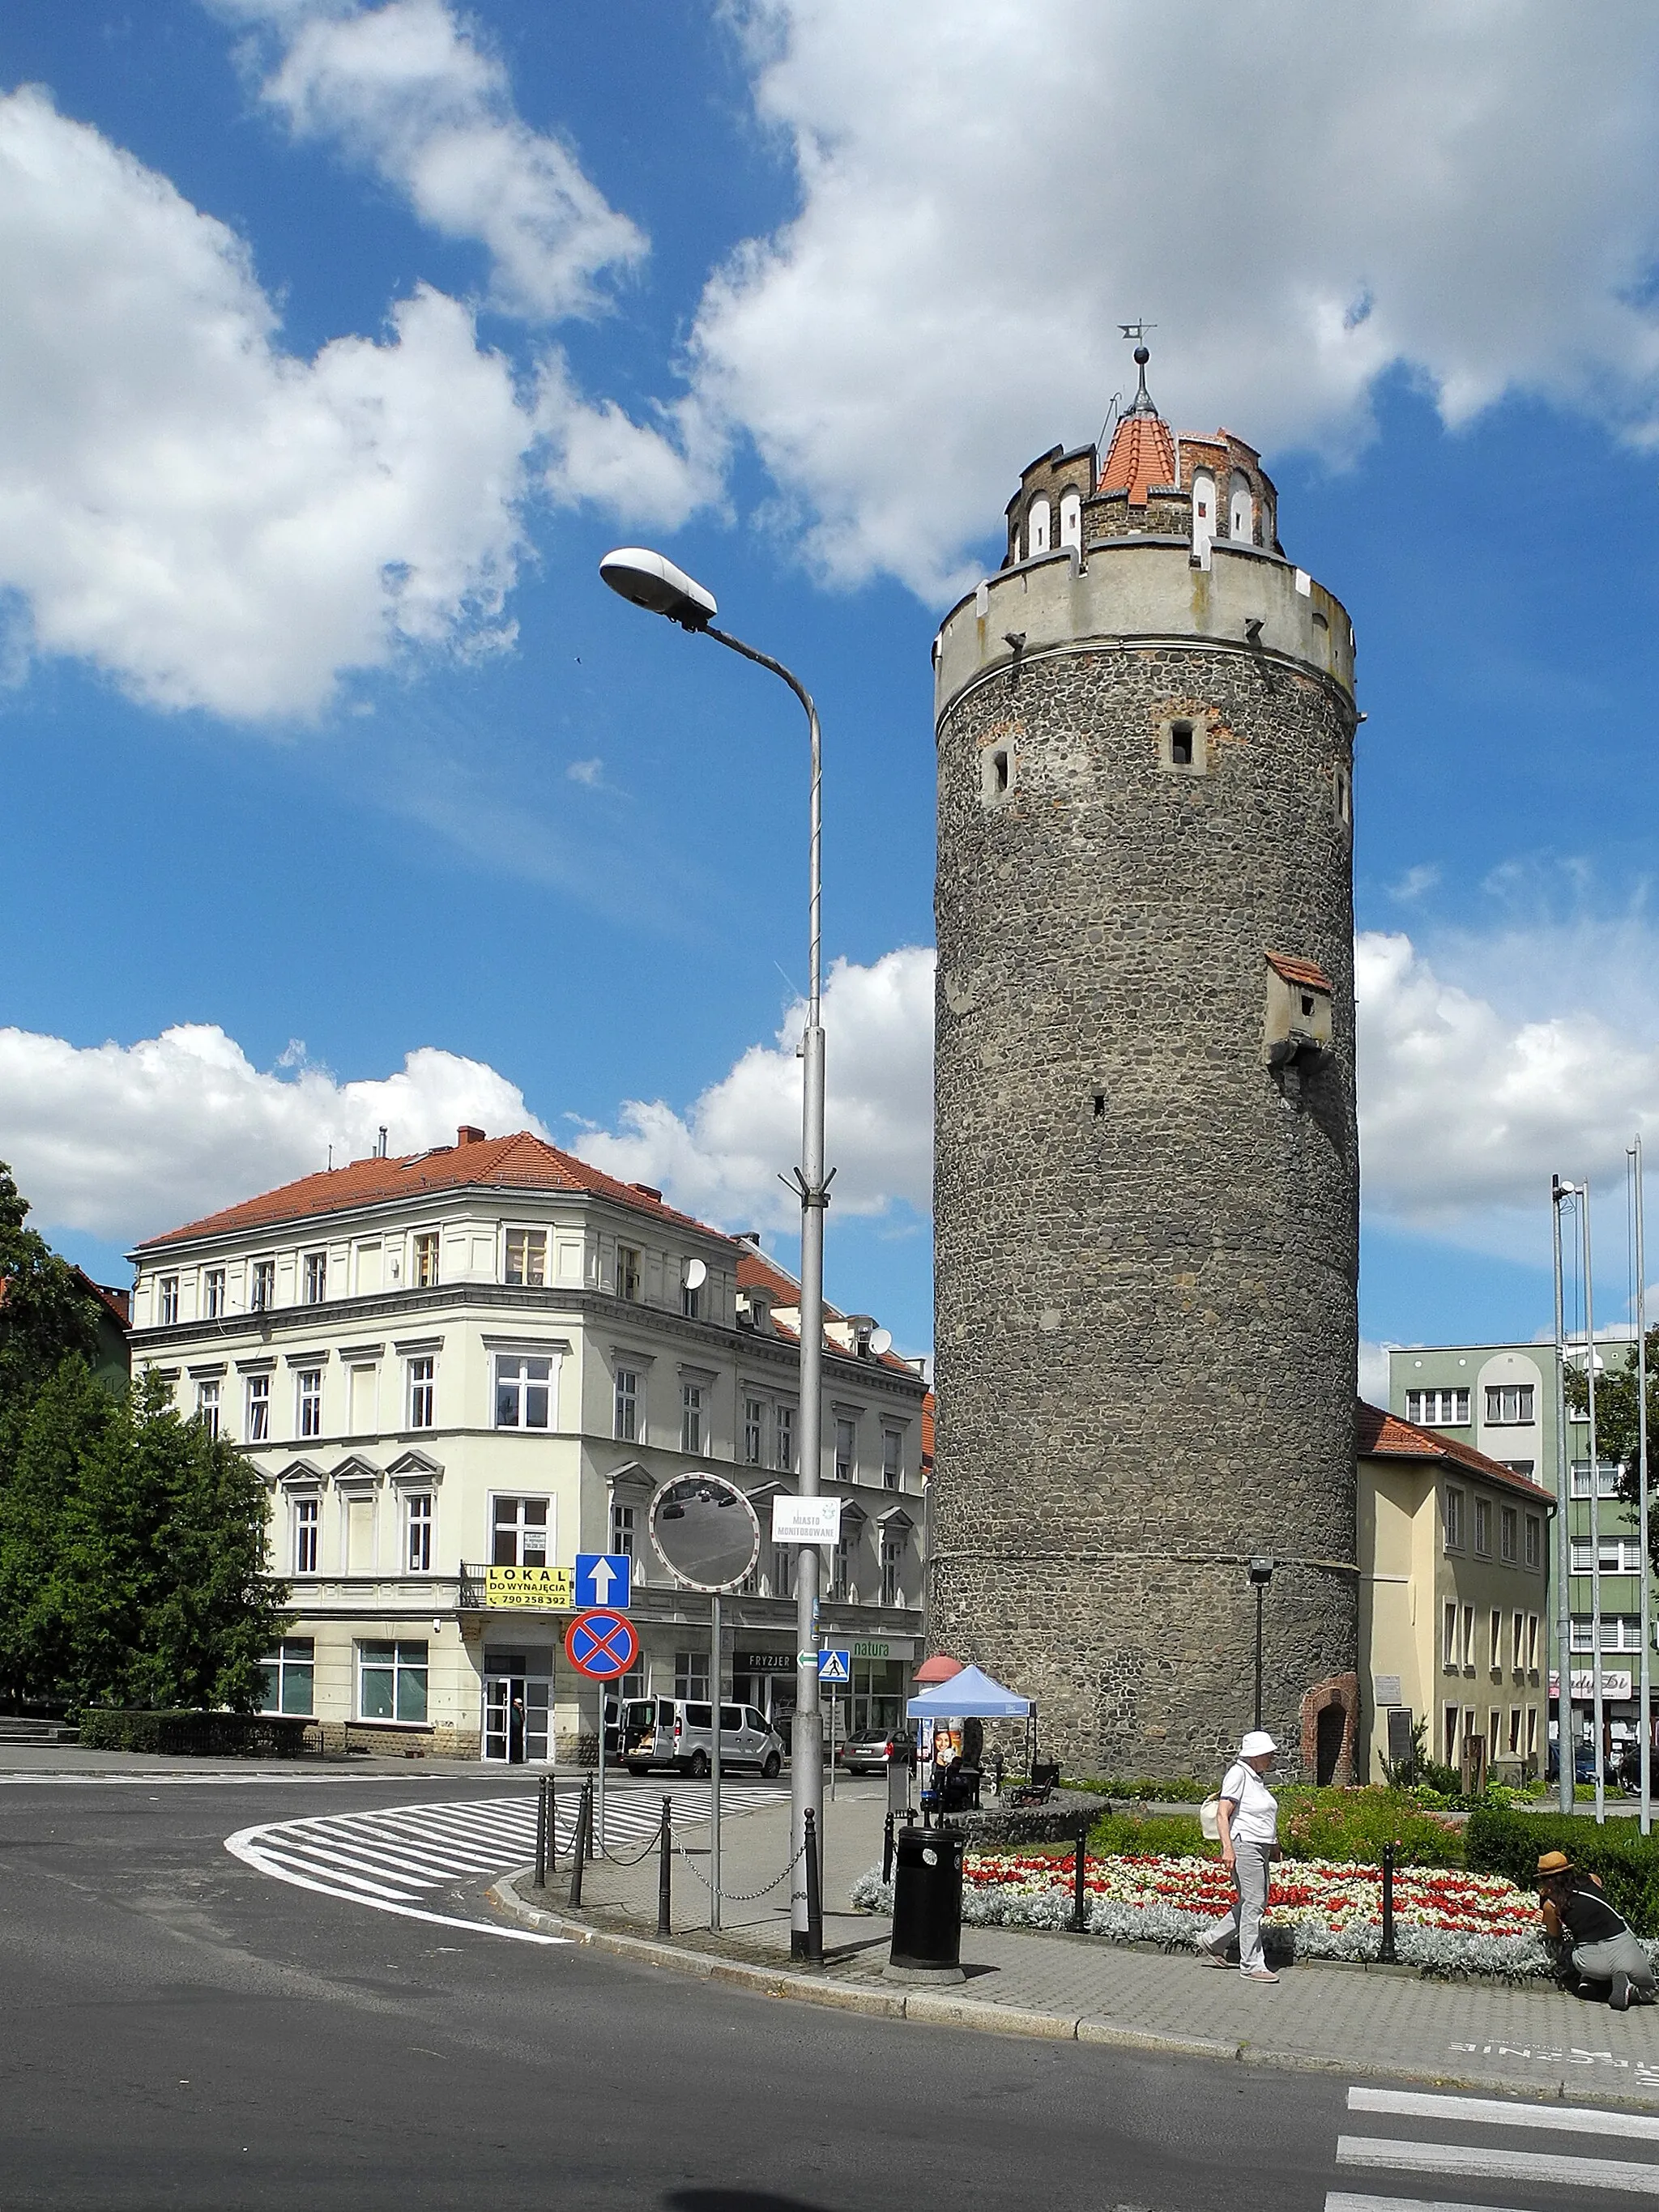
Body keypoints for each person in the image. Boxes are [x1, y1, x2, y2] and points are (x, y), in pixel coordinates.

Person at [1199, 1728, 1282, 1984]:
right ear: (1254, 1754)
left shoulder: (1255, 1777)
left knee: (1251, 1902)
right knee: (1254, 1904)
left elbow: (1263, 1814)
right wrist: (1227, 1848)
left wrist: (1275, 1844)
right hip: (1245, 1846)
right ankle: (1252, 1964)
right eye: (1267, 1753)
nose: (1271, 1757)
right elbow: (1223, 1813)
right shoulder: (1238, 1774)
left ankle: (1213, 1941)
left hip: (1260, 1847)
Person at [1536, 1850, 1657, 2010]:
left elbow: (1554, 1934)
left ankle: (1591, 1981)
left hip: (1590, 1962)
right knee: (1649, 1991)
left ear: (1544, 1880)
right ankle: (1630, 1990)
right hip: (1625, 1951)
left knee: (1573, 1947)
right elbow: (1598, 1887)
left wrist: (1545, 1916)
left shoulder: (1551, 1904)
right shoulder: (1591, 1880)